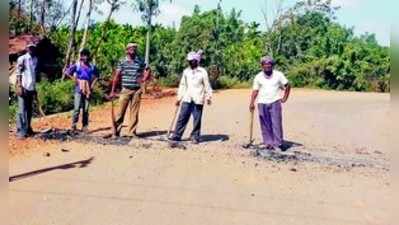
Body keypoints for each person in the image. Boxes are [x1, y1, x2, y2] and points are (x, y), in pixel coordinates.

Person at [168, 51, 213, 144]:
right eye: (189, 61)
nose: (190, 62)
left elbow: (207, 85)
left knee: (197, 119)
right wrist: (179, 98)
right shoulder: (186, 72)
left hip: (198, 98)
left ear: (196, 61)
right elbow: (183, 85)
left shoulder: (203, 72)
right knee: (182, 117)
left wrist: (208, 97)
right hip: (187, 98)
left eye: (192, 61)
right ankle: (177, 135)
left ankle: (195, 137)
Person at [249, 56, 291, 151]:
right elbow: (255, 91)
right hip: (262, 103)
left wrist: (284, 98)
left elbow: (287, 85)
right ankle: (268, 143)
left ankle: (278, 144)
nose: (267, 66)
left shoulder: (278, 75)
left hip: (275, 102)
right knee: (265, 124)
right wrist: (252, 102)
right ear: (262, 66)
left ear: (272, 65)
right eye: (265, 64)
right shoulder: (258, 77)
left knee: (276, 123)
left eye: (269, 64)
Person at [109, 43, 150, 138]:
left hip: (137, 90)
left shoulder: (140, 60)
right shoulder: (122, 61)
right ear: (127, 50)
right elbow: (117, 76)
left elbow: (147, 69)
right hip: (125, 90)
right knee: (120, 112)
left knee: (134, 112)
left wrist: (144, 79)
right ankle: (116, 131)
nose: (133, 50)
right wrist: (112, 91)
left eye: (135, 49)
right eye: (131, 49)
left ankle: (131, 132)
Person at [65, 49, 100, 133]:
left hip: (88, 88)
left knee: (86, 109)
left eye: (86, 55)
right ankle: (73, 125)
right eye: (83, 55)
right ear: (81, 56)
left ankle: (85, 126)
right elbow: (67, 72)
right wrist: (75, 80)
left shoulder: (92, 66)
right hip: (78, 89)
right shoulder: (77, 65)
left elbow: (97, 75)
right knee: (76, 108)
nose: (85, 57)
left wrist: (92, 85)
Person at [15, 43, 39, 139]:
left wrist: (34, 89)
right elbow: (18, 72)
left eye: (33, 47)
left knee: (29, 110)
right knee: (22, 110)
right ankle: (21, 131)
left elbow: (33, 75)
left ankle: (28, 128)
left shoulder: (35, 59)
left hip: (31, 88)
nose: (31, 49)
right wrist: (19, 85)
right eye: (30, 48)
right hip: (23, 87)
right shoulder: (22, 59)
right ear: (27, 49)